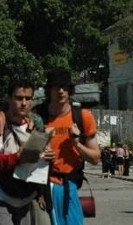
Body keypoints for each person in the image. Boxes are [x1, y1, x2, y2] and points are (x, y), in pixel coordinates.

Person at [0, 78, 48, 225]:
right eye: (19, 98)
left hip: (23, 197)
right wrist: (17, 158)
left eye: (28, 98)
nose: (24, 103)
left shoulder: (33, 123)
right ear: (9, 98)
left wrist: (47, 157)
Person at [40, 68, 101, 225]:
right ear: (49, 90)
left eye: (64, 87)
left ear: (70, 90)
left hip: (70, 184)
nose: (60, 91)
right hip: (44, 186)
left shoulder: (83, 116)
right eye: (55, 87)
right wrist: (41, 144)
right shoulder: (39, 117)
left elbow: (95, 158)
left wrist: (76, 143)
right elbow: (24, 154)